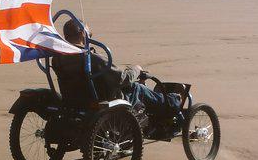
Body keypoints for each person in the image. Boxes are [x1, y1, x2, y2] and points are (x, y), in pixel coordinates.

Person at [51, 18, 181, 127]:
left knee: (131, 85)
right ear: (82, 34)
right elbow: (122, 79)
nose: (90, 35)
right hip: (102, 100)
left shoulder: (57, 58)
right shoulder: (92, 59)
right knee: (137, 88)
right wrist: (137, 69)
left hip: (74, 100)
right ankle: (174, 101)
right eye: (88, 32)